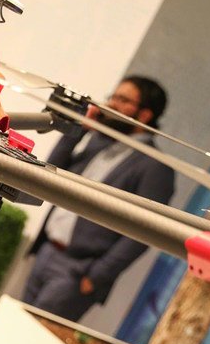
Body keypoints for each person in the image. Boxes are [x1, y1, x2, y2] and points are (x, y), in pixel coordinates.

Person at [22, 76, 176, 322]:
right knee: (13, 326)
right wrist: (78, 130)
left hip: (78, 271)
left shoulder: (154, 168)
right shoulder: (98, 143)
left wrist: (96, 277)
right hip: (47, 251)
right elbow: (50, 173)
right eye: (113, 96)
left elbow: (143, 233)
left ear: (145, 115)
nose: (111, 104)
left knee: (30, 335)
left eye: (123, 100)